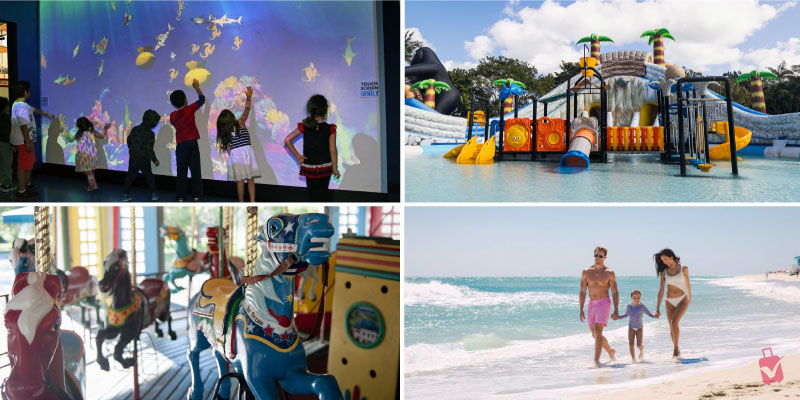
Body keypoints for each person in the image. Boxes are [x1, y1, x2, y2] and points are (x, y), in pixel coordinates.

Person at [284, 94, 340, 201]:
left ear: (310, 109)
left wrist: (297, 156)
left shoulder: (305, 126)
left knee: (312, 195)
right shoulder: (330, 128)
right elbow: (333, 150)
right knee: (323, 194)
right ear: (325, 110)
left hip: (309, 168)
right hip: (326, 167)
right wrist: (335, 168)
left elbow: (287, 140)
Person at [9, 81, 55, 199]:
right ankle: (21, 190)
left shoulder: (20, 104)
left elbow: (34, 110)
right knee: (23, 165)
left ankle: (27, 184)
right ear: (25, 92)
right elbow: (23, 125)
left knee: (28, 163)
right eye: (29, 91)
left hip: (24, 140)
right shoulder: (21, 106)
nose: (30, 92)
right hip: (24, 141)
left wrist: (46, 113)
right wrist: (28, 142)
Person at [215, 86, 260, 202]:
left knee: (240, 181)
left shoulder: (226, 134)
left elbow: (230, 151)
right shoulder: (240, 122)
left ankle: (241, 202)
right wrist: (249, 97)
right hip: (247, 154)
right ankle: (253, 201)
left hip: (236, 156)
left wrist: (233, 157)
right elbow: (247, 109)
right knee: (250, 180)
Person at [579, 246, 619, 366]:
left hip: (604, 303)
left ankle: (596, 361)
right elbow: (582, 291)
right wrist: (581, 309)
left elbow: (615, 292)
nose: (598, 258)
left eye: (600, 256)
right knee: (595, 334)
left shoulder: (609, 273)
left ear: (605, 257)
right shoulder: (586, 272)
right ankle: (610, 351)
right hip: (592, 304)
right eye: (596, 255)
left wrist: (616, 309)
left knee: (597, 331)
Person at [170, 79, 205, 201]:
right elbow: (202, 100)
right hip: (192, 143)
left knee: (181, 172)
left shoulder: (172, 116)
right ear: (185, 99)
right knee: (195, 170)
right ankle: (196, 196)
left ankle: (180, 196)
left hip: (181, 146)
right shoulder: (190, 109)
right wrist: (197, 87)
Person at [654, 248, 691, 359]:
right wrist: (657, 307)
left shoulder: (684, 269)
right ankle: (677, 348)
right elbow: (661, 290)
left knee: (674, 322)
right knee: (671, 326)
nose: (665, 262)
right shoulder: (663, 272)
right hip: (669, 301)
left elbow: (687, 283)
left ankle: (675, 349)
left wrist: (690, 297)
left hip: (682, 299)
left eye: (666, 259)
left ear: (671, 257)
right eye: (663, 261)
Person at [122, 109, 161, 201]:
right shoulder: (151, 134)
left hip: (134, 157)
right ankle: (154, 194)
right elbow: (149, 149)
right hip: (144, 158)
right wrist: (155, 160)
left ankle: (125, 195)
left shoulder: (135, 129)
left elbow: (129, 140)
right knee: (149, 176)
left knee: (130, 176)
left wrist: (131, 150)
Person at [65, 117, 110, 191]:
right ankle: (93, 184)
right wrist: (105, 129)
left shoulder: (79, 133)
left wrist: (66, 134)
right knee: (88, 171)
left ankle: (93, 186)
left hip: (83, 154)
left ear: (79, 126)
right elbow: (102, 136)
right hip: (92, 154)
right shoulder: (91, 131)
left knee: (87, 171)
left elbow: (70, 139)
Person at [617, 289, 657, 363]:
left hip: (639, 328)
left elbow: (649, 313)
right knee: (631, 344)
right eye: (635, 297)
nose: (636, 299)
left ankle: (641, 351)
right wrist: (619, 317)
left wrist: (655, 316)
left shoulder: (642, 306)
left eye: (638, 297)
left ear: (640, 297)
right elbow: (627, 314)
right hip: (631, 327)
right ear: (631, 298)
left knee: (639, 345)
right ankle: (633, 359)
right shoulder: (629, 306)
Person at [0, 97, 14, 192]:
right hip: (6, 143)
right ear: (5, 106)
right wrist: (13, 144)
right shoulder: (7, 118)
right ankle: (7, 184)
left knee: (1, 163)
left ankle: (1, 181)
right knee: (7, 163)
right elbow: (9, 132)